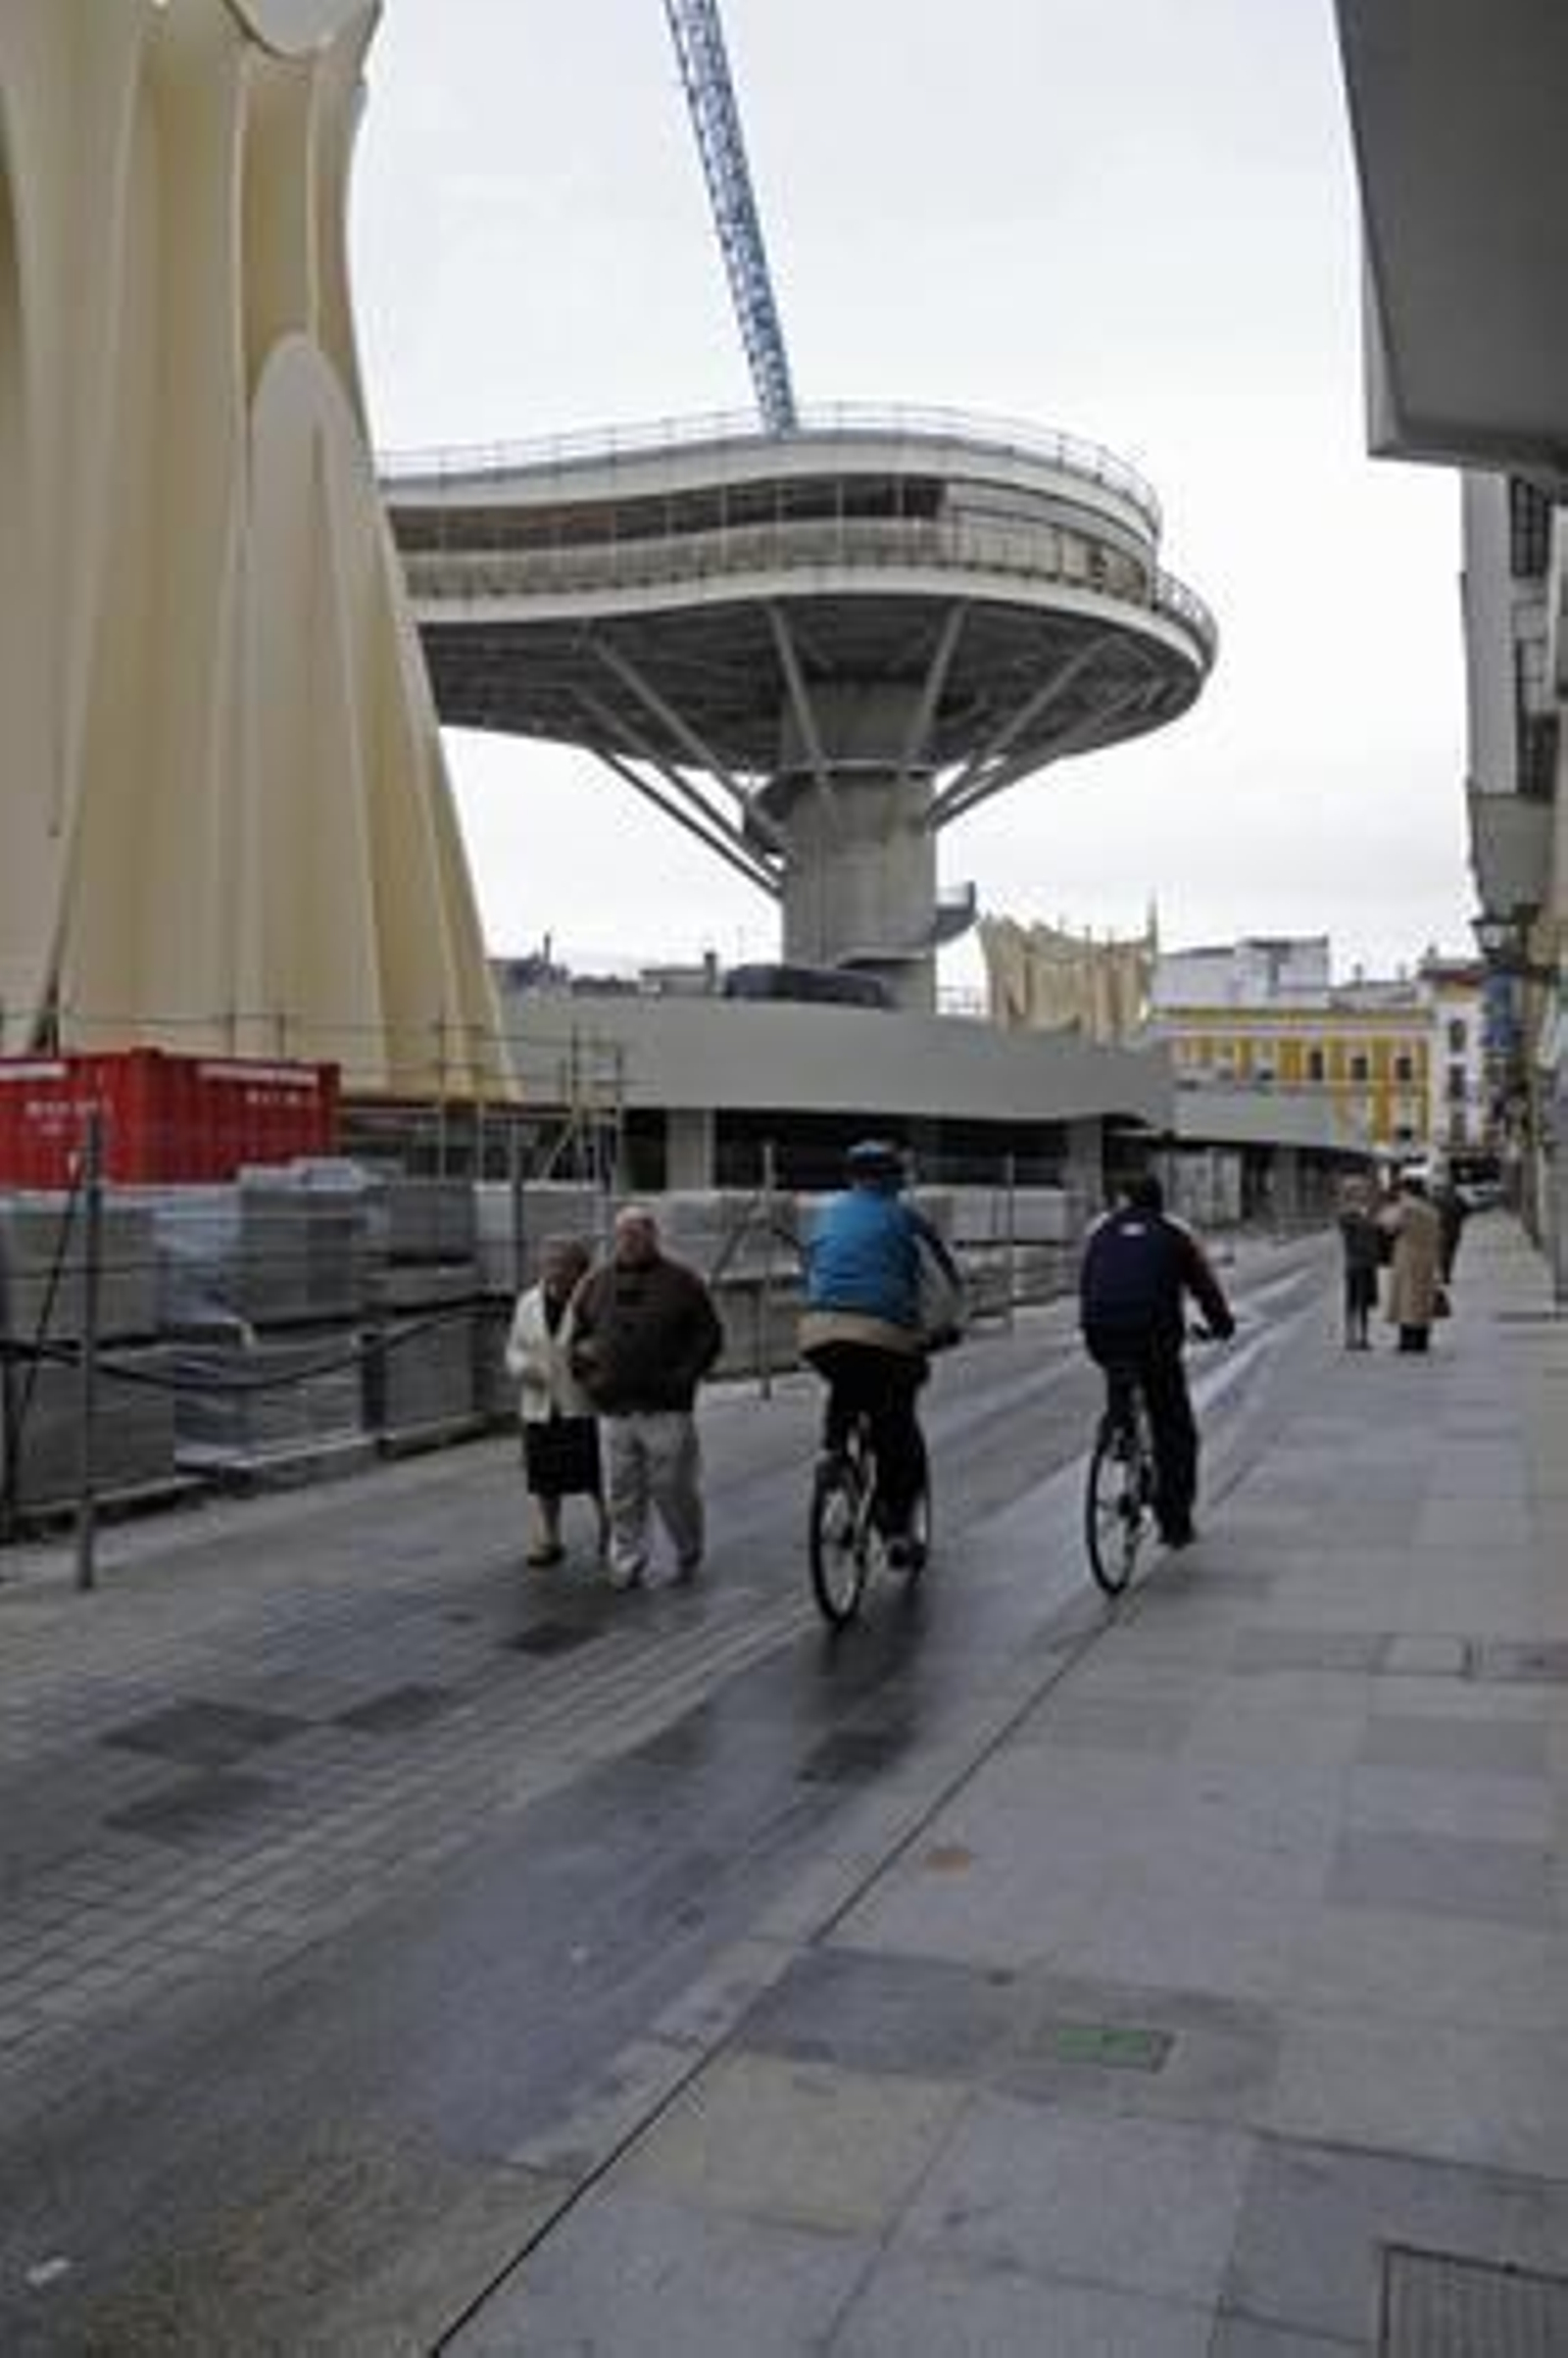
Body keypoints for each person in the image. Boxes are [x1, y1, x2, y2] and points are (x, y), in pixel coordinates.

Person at [798, 1139, 962, 1569]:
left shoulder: (826, 1217)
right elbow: (943, 1286)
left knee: (846, 1383)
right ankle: (897, 1531)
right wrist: (943, 1329)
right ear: (895, 1179)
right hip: (882, 1334)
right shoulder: (906, 1219)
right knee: (897, 1424)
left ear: (850, 1178)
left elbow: (812, 1271)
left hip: (818, 1331)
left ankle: (833, 1454)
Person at [568, 1204, 724, 1590]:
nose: (629, 1241)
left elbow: (709, 1337)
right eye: (622, 1234)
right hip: (613, 1408)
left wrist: (684, 1378)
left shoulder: (683, 1281)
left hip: (667, 1408)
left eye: (637, 1233)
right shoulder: (595, 1283)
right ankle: (627, 1561)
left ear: (653, 1236)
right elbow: (575, 1338)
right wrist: (590, 1380)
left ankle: (688, 1549)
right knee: (620, 1491)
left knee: (673, 1486)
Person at [1078, 1171, 1236, 1550]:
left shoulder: (1099, 1232)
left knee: (1119, 1366)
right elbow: (1204, 1286)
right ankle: (1175, 1523)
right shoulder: (1173, 1234)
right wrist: (1222, 1325)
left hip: (1101, 1333)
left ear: (1123, 1199)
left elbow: (1088, 1286)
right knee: (1174, 1428)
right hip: (1154, 1339)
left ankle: (1119, 1428)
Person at [504, 1235, 607, 1568]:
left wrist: (592, 1355)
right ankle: (550, 1538)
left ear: (580, 1269)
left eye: (563, 1264)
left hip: (581, 1401)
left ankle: (610, 1527)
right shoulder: (527, 1302)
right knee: (544, 1478)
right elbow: (514, 1348)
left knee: (595, 1474)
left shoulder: (593, 1301)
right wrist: (523, 1368)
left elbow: (607, 1341)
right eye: (549, 1263)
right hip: (540, 1403)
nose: (554, 1271)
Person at [1381, 1171, 1445, 1352]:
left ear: (1407, 1190)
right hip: (1428, 1259)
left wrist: (1389, 1208)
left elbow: (1388, 1225)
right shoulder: (1431, 1210)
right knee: (1423, 1301)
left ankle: (1408, 1341)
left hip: (1408, 1259)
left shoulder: (1407, 1207)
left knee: (1408, 1302)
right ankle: (1422, 1340)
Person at [1336, 1174, 1382, 1350]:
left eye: (1363, 1190)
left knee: (1364, 1302)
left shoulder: (1367, 1211)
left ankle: (1363, 1336)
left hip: (1367, 1262)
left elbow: (1375, 1231)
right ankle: (1351, 1336)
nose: (1362, 1193)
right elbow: (1355, 1230)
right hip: (1355, 1263)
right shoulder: (1347, 1214)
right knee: (1353, 1300)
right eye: (1358, 1190)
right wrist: (1366, 1217)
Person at [1433, 1170, 1468, 1285]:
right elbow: (1466, 1211)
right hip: (1454, 1230)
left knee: (1442, 1252)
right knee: (1450, 1253)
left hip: (1442, 1230)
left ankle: (1443, 1272)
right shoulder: (1458, 1198)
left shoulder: (1437, 1200)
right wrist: (1460, 1219)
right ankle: (1446, 1273)